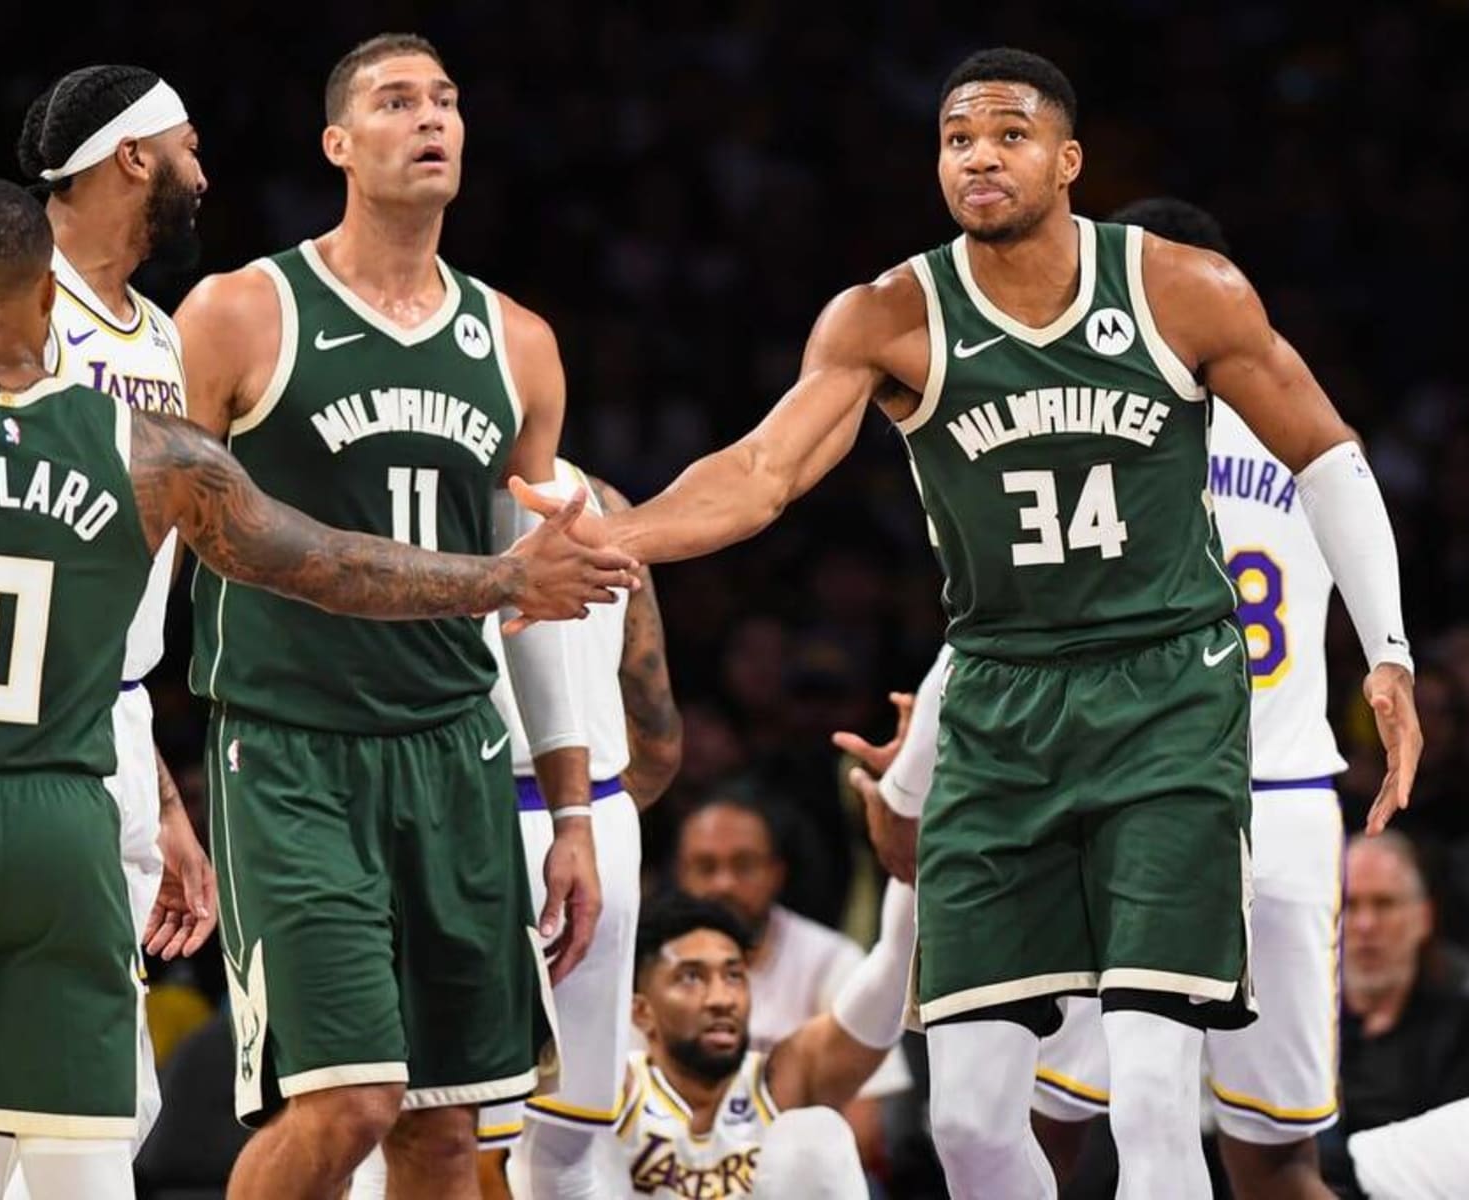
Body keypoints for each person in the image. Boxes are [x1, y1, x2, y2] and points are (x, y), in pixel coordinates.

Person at [512, 45, 1421, 1199]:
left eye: (1007, 133)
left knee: (1150, 1097)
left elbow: (1329, 453)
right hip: (1003, 696)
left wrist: (1385, 652)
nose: (979, 156)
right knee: (975, 1118)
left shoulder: (1180, 287)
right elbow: (761, 472)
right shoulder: (888, 314)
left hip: (1166, 698)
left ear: (1067, 159)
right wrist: (613, 533)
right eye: (956, 138)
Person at [0, 178, 630, 1200]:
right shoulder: (148, 454)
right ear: (52, 299)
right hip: (67, 823)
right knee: (82, 1163)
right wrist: (502, 578)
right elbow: (328, 564)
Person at [172, 33, 609, 1198]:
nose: (432, 119)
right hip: (291, 751)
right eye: (397, 100)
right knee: (350, 1102)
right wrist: (131, 756)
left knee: (446, 1132)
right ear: (337, 143)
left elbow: (538, 594)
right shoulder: (237, 313)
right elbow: (152, 551)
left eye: (448, 101)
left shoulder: (519, 343)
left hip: (455, 760)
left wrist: (565, 807)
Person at [986, 196, 1352, 1200]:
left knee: (1044, 1123)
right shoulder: (1307, 430)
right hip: (1280, 804)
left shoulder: (1074, 432)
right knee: (1276, 1162)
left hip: (1127, 796)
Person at [0, 65, 215, 1199]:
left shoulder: (165, 342)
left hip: (106, 727)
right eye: (185, 145)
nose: (203, 171)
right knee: (89, 1103)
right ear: (131, 158)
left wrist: (163, 791)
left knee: (48, 1117)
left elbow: (132, 611)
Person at [350, 458, 683, 1200]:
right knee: (569, 1148)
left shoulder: (415, 492)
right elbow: (657, 727)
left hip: (473, 818)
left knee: (430, 1139)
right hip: (600, 825)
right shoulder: (610, 500)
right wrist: (602, 826)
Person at [612, 889, 915, 1199]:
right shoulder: (617, 1090)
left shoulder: (783, 1081)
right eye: (691, 977)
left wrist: (914, 871)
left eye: (733, 976)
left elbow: (891, 974)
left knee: (818, 1131)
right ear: (641, 1011)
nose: (721, 1000)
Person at [674, 795, 915, 1169]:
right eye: (706, 867)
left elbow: (863, 1130)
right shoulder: (648, 969)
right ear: (680, 874)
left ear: (776, 873)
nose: (724, 883)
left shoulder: (831, 959)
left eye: (744, 864)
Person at [1322, 832, 1469, 1185]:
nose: (1365, 925)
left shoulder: (1460, 1031)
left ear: (1425, 917)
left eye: (1384, 904)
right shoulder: (1302, 1029)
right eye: (1350, 905)